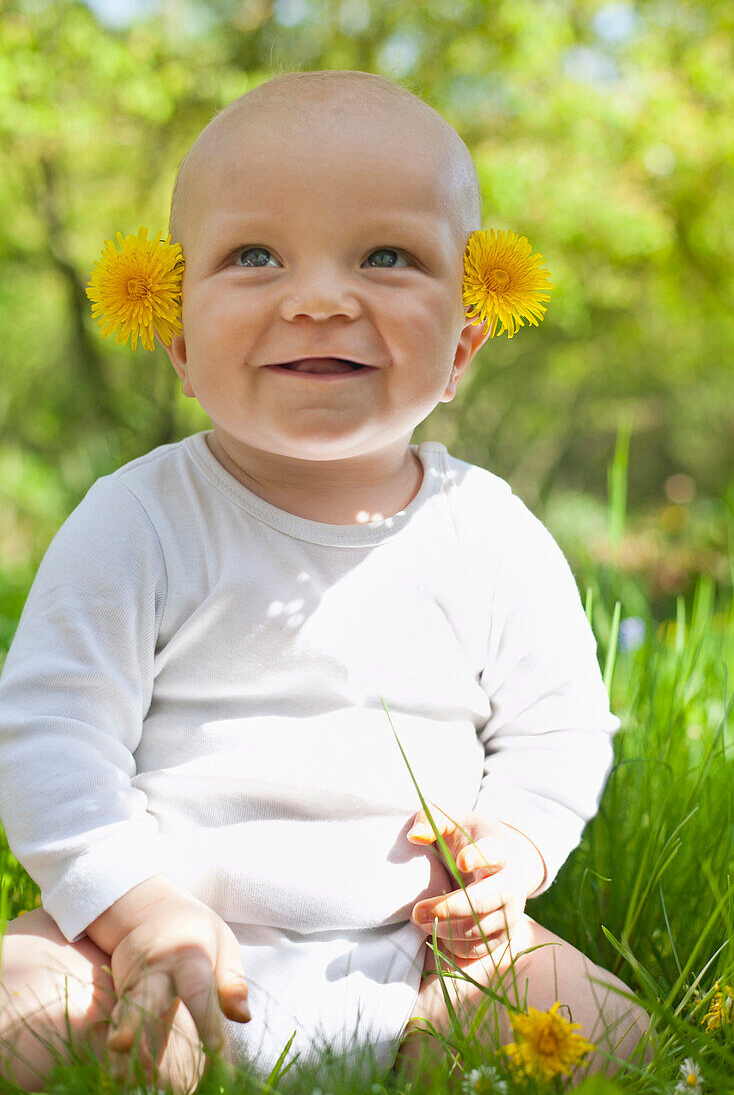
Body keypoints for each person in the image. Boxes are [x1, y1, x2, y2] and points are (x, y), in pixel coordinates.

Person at [0, 70, 653, 1094]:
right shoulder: (137, 518)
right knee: (21, 1007)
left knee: (609, 1037)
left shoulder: (486, 531)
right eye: (253, 255)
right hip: (157, 937)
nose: (316, 297)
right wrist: (136, 908)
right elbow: (51, 734)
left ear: (463, 346)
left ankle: (433, 1054)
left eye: (385, 255)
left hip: (433, 956)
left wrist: (515, 850)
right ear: (176, 337)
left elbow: (559, 727)